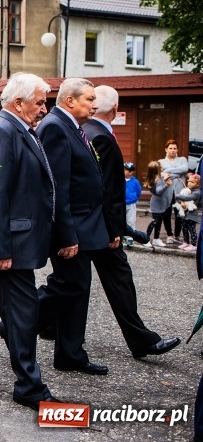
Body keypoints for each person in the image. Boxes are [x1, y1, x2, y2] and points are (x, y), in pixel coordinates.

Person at [82, 85, 180, 359]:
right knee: (118, 279)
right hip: (101, 225)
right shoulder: (99, 135)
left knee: (69, 284)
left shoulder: (87, 132)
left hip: (92, 223)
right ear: (115, 109)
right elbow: (106, 190)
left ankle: (43, 325)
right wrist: (115, 229)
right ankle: (142, 340)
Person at [27, 78, 112, 376]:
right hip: (71, 225)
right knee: (69, 285)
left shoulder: (71, 126)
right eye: (89, 99)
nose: (95, 104)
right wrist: (66, 234)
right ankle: (20, 323)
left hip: (83, 224)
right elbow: (57, 186)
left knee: (77, 289)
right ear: (70, 101)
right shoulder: (54, 126)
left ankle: (70, 353)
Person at [0, 72, 59, 411]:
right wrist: (0, 247)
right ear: (18, 103)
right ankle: (29, 386)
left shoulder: (20, 129)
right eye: (40, 102)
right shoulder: (3, 130)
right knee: (23, 313)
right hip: (10, 247)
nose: (44, 109)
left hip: (18, 245)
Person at [160, 139, 188, 245]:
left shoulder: (182, 159)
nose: (173, 150)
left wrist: (168, 171)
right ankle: (169, 234)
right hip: (167, 190)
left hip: (179, 190)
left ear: (177, 150)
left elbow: (184, 169)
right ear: (166, 149)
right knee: (166, 213)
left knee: (179, 213)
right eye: (170, 148)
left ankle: (177, 234)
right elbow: (161, 174)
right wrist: (177, 172)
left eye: (175, 148)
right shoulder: (161, 162)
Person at [146, 161, 172, 248]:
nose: (162, 168)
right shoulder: (158, 180)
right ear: (157, 170)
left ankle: (156, 238)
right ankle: (145, 238)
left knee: (158, 222)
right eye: (160, 167)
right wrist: (166, 185)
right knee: (155, 222)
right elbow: (159, 191)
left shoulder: (154, 179)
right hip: (158, 205)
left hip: (158, 204)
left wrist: (164, 180)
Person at [175, 173, 201, 251]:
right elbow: (180, 198)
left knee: (192, 229)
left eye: (192, 182)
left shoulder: (197, 192)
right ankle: (185, 242)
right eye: (188, 181)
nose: (189, 183)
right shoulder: (186, 190)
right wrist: (181, 202)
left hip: (192, 215)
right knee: (184, 228)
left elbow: (188, 197)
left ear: (198, 184)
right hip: (184, 214)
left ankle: (194, 244)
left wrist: (178, 196)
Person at [124, 162, 141, 231]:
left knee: (130, 221)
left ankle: (130, 236)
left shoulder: (135, 182)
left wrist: (134, 198)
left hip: (131, 204)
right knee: (122, 220)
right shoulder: (120, 180)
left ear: (130, 172)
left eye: (125, 170)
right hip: (122, 203)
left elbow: (138, 191)